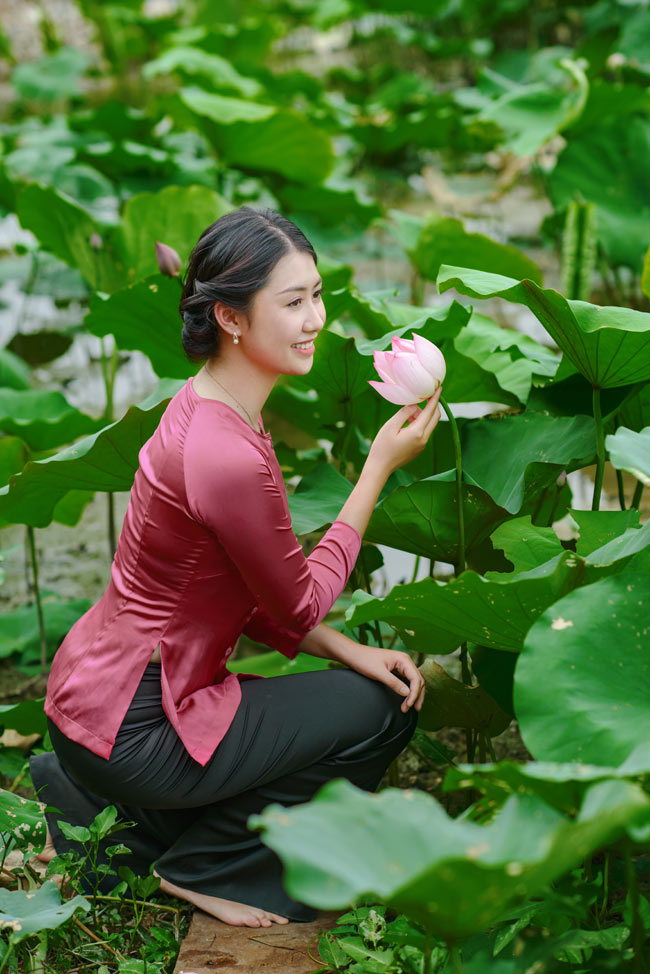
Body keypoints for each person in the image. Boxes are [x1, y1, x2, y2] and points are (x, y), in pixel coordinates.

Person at [30, 206, 442, 928]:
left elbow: (238, 594)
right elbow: (297, 608)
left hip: (86, 708)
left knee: (352, 683)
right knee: (380, 714)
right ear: (232, 318)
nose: (314, 318)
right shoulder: (226, 455)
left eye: (316, 294)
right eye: (292, 301)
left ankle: (111, 822)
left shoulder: (201, 408)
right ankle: (206, 867)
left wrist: (350, 650)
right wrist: (376, 468)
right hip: (136, 731)